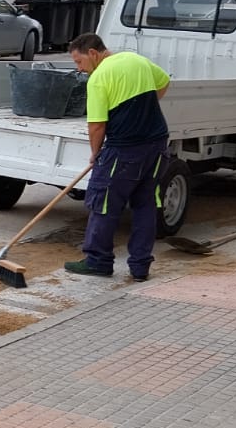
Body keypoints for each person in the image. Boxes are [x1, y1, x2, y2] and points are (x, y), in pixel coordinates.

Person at [64, 33, 170, 281]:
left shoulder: (99, 78)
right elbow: (164, 82)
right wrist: (142, 109)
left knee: (103, 203)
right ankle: (141, 266)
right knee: (145, 205)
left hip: (124, 150)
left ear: (93, 53)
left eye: (79, 62)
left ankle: (98, 261)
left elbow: (97, 125)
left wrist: (95, 154)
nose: (79, 70)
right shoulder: (136, 60)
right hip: (156, 145)